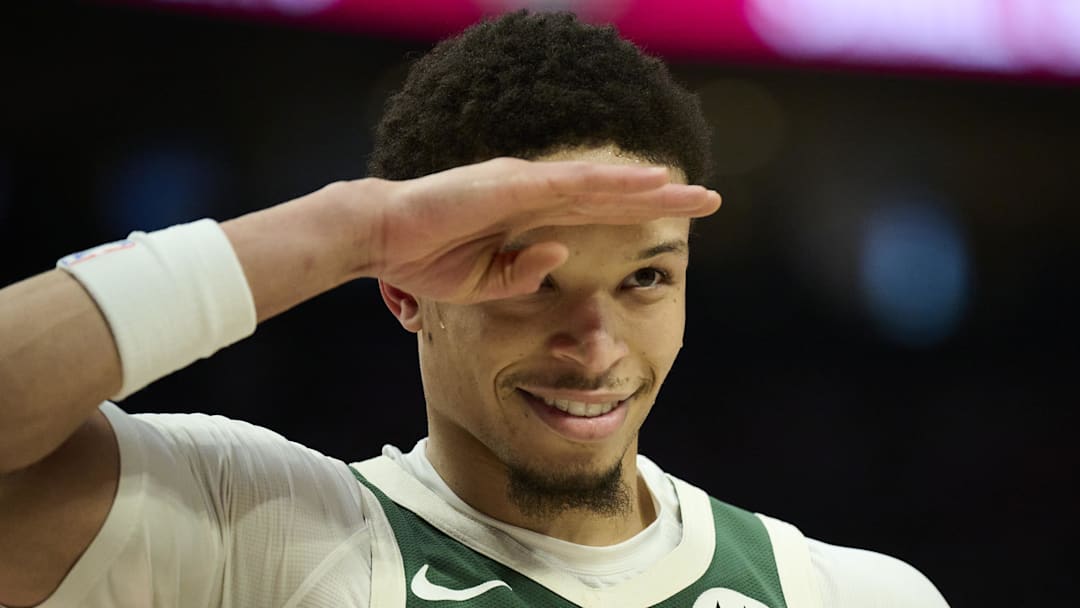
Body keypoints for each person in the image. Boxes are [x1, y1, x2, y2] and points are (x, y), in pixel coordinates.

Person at [0, 11, 949, 608]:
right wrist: (348, 227)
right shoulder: (252, 533)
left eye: (647, 279)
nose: (597, 347)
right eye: (533, 280)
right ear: (406, 287)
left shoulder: (852, 592)